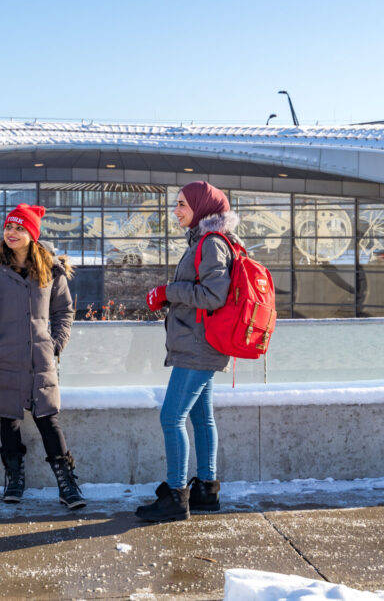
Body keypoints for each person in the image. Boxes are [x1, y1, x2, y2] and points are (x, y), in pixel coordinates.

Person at [0, 203, 84, 509]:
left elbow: (63, 311)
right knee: (9, 420)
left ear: (32, 233)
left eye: (19, 228)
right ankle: (14, 477)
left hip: (39, 359)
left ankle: (66, 480)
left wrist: (56, 343)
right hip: (2, 359)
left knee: (48, 419)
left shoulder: (51, 269)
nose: (11, 233)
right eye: (8, 227)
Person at [136, 181, 239, 522]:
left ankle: (177, 495)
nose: (176, 210)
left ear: (201, 207)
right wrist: (172, 294)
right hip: (202, 342)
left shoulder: (210, 244)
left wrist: (169, 291)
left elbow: (213, 296)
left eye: (182, 204)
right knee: (200, 416)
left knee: (171, 417)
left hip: (198, 345)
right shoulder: (206, 241)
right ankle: (206, 491)